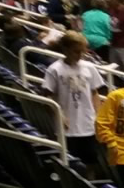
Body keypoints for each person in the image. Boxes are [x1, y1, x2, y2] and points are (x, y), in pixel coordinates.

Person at [39, 31, 104, 168]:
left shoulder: (90, 68)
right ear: (65, 49)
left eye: (83, 52)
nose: (80, 55)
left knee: (91, 161)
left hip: (88, 123)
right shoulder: (55, 69)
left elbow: (94, 93)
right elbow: (47, 95)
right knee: (70, 161)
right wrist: (59, 114)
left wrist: (98, 115)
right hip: (67, 125)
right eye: (76, 52)